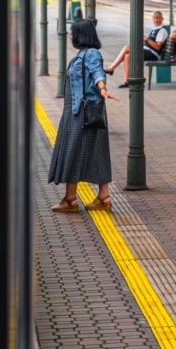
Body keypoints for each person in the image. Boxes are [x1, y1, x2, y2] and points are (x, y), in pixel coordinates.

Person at [49, 19, 119, 213]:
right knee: (96, 152)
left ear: (82, 34)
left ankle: (70, 200)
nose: (70, 36)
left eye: (73, 32)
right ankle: (103, 197)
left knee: (73, 152)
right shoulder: (81, 55)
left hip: (84, 113)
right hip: (77, 112)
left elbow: (98, 73)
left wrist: (103, 88)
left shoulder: (92, 54)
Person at [106, 11, 169, 88]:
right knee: (127, 56)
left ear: (162, 19)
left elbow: (158, 47)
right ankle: (126, 82)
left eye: (158, 18)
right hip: (147, 50)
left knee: (126, 48)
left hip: (153, 54)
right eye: (155, 18)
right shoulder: (154, 29)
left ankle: (111, 68)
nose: (156, 20)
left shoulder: (162, 30)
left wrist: (146, 39)